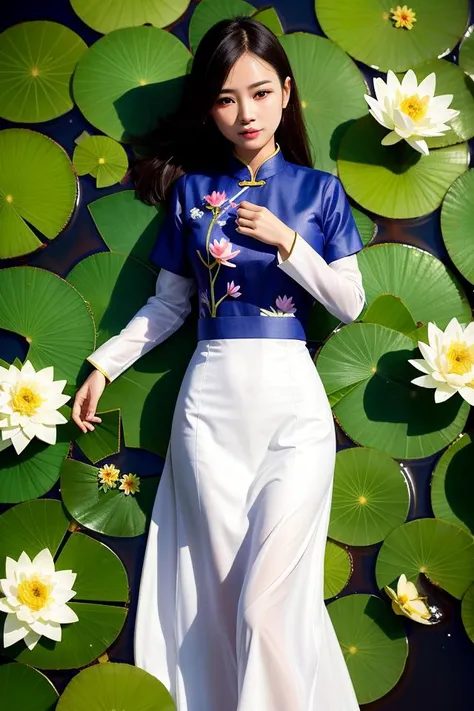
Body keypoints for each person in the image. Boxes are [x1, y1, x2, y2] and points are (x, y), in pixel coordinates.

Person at [72, 16, 365, 711]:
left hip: (294, 410)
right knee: (224, 593)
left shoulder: (320, 193)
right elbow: (168, 306)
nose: (246, 114)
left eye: (261, 93)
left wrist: (289, 242)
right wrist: (104, 365)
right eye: (228, 99)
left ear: (288, 94)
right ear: (211, 108)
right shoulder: (190, 194)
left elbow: (350, 304)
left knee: (268, 605)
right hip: (210, 413)